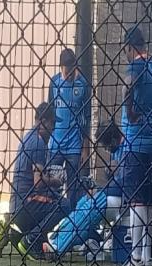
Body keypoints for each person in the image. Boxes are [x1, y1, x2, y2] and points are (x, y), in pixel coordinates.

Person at [114, 26, 152, 266]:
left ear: (130, 48)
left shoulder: (137, 65)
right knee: (147, 202)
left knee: (136, 201)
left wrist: (131, 112)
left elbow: (126, 88)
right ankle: (146, 257)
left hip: (136, 144)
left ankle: (135, 258)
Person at [43, 120, 127, 256]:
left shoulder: (127, 148)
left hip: (123, 197)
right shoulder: (116, 150)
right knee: (83, 203)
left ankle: (59, 247)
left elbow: (125, 182)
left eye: (105, 145)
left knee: (90, 208)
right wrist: (108, 173)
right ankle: (57, 240)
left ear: (112, 139)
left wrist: (114, 175)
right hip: (113, 193)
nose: (105, 149)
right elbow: (114, 180)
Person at [7, 102, 70, 260]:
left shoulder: (28, 136)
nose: (54, 128)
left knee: (53, 197)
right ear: (43, 121)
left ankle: (19, 234)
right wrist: (55, 181)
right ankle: (31, 239)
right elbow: (38, 182)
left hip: (18, 204)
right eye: (53, 123)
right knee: (64, 205)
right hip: (25, 204)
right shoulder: (38, 143)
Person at [48, 48, 92, 209]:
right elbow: (49, 114)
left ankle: (72, 227)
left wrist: (85, 148)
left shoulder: (83, 85)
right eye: (66, 72)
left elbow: (87, 118)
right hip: (55, 146)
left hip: (74, 146)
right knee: (53, 189)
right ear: (61, 67)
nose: (69, 75)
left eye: (72, 71)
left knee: (74, 190)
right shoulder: (54, 83)